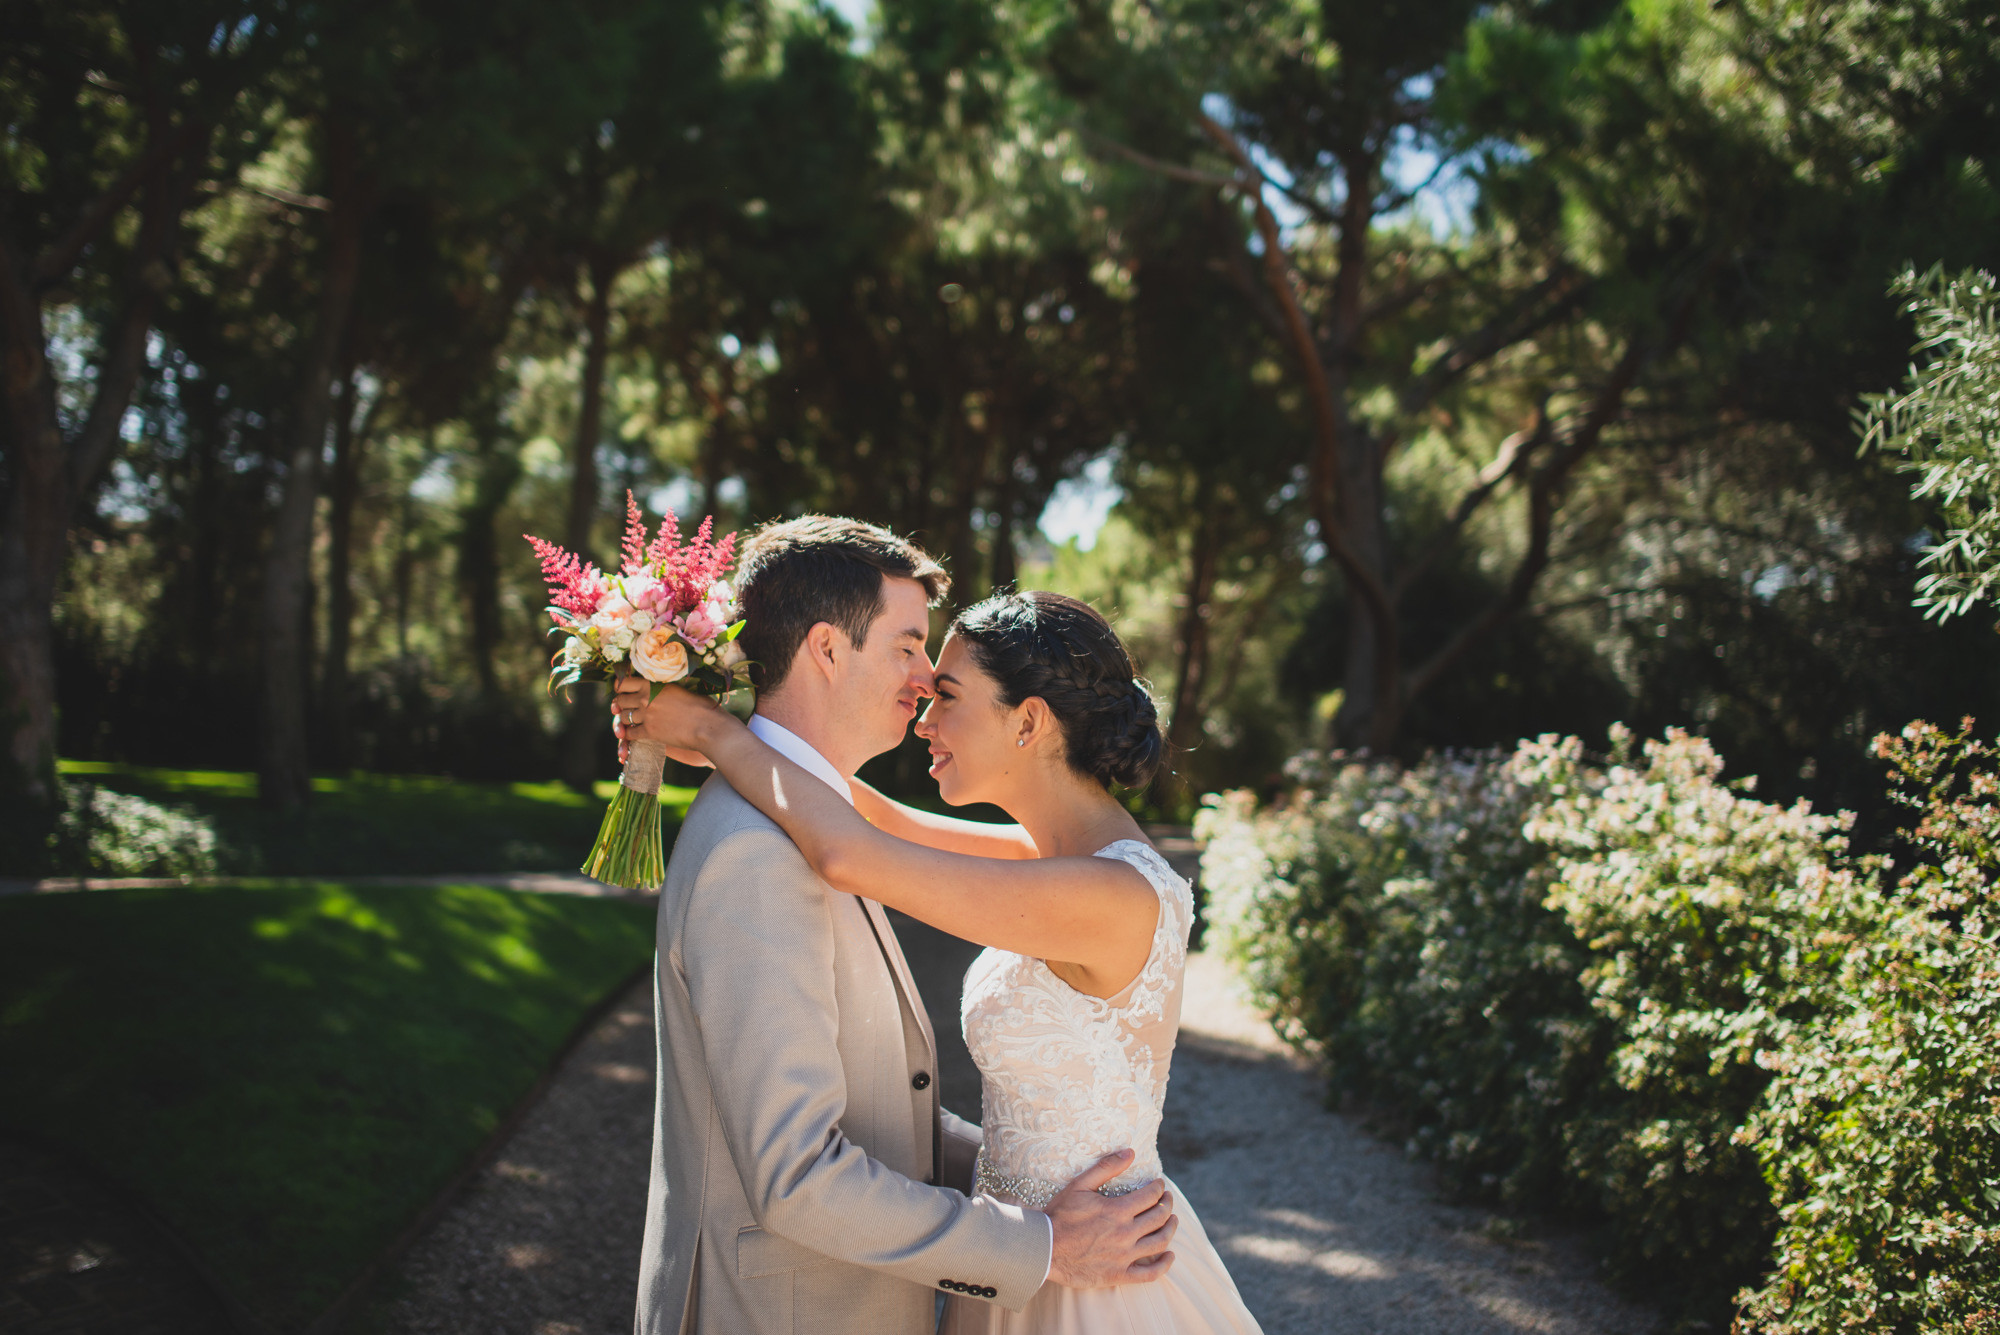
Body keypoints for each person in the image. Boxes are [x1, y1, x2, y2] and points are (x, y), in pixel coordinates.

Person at [619, 585, 1264, 1335]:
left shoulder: (1106, 892)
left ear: (1028, 720)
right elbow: (867, 812)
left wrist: (715, 730)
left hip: (1095, 1279)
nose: (924, 716)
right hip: (1034, 1250)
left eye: (947, 695)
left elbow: (847, 851)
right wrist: (733, 740)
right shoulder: (1055, 858)